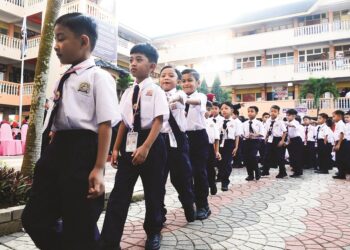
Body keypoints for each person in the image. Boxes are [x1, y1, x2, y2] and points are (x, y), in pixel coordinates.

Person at [21, 13, 120, 250]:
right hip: (57, 150)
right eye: (54, 39)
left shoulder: (99, 77)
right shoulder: (62, 78)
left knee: (80, 222)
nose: (55, 45)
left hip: (83, 150)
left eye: (61, 38)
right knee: (34, 219)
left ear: (84, 41)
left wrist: (98, 168)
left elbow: (105, 124)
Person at [100, 43, 169, 250]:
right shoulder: (129, 91)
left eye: (139, 59)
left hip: (152, 143)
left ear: (152, 66)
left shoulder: (155, 90)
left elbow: (158, 120)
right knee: (119, 193)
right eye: (131, 60)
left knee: (154, 191)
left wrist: (146, 147)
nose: (133, 64)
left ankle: (153, 232)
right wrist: (115, 148)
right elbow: (123, 121)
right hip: (130, 142)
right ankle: (109, 240)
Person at [158, 65, 196, 224]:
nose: (166, 78)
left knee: (181, 178)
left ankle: (188, 205)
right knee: (157, 180)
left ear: (178, 81)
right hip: (159, 140)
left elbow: (182, 99)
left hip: (177, 141)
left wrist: (170, 100)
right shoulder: (155, 94)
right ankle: (160, 213)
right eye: (163, 75)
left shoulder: (180, 93)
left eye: (171, 75)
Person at [182, 68, 211, 220]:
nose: (186, 83)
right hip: (182, 137)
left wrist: (180, 100)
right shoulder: (177, 96)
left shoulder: (201, 96)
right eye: (184, 81)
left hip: (198, 137)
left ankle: (203, 205)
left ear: (198, 83)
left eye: (190, 80)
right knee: (186, 173)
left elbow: (196, 102)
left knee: (199, 172)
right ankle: (191, 202)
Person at [217, 102, 241, 190]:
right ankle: (220, 176)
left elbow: (237, 135)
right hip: (219, 143)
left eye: (226, 108)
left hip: (229, 143)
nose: (223, 110)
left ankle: (225, 182)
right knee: (219, 163)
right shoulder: (218, 121)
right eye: (222, 109)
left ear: (232, 110)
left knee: (227, 163)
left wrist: (236, 147)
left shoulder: (235, 122)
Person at [262, 105, 287, 178]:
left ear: (278, 113)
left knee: (280, 157)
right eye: (271, 111)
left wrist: (282, 141)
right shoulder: (268, 121)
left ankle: (282, 172)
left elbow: (285, 132)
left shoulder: (280, 121)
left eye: (275, 111)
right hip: (270, 139)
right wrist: (266, 138)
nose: (273, 113)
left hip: (278, 139)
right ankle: (265, 171)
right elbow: (267, 130)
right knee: (266, 156)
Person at [242, 106, 265, 181]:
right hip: (246, 141)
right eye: (248, 111)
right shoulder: (244, 123)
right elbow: (242, 133)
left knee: (252, 157)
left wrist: (254, 135)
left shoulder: (259, 123)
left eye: (252, 111)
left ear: (256, 113)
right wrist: (245, 136)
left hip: (255, 141)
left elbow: (262, 134)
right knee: (247, 158)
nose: (250, 113)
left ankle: (257, 171)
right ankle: (250, 175)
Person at [205, 101, 221, 195]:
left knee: (211, 168)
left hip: (210, 147)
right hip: (198, 147)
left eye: (208, 109)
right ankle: (204, 186)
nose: (206, 111)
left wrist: (217, 151)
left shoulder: (212, 122)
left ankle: (212, 184)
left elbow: (216, 139)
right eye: (204, 109)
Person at [285, 109, 303, 177]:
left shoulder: (295, 122)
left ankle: (298, 172)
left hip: (297, 140)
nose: (287, 117)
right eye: (286, 115)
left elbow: (292, 125)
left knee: (297, 157)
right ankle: (295, 170)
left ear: (294, 116)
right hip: (291, 140)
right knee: (292, 157)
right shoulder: (288, 122)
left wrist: (285, 123)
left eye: (289, 115)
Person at [332, 110, 346, 179]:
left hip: (341, 142)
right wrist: (335, 144)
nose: (333, 118)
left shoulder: (341, 124)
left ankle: (342, 175)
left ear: (339, 116)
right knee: (338, 159)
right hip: (338, 142)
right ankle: (340, 173)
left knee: (341, 159)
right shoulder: (338, 123)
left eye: (334, 116)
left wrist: (339, 144)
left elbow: (341, 134)